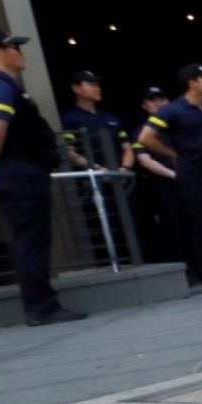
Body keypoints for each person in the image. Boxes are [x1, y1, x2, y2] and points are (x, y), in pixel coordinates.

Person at [0, 26, 87, 326]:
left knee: (29, 239)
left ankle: (41, 304)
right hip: (19, 173)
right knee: (31, 240)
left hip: (16, 172)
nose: (20, 52)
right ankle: (40, 307)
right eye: (14, 46)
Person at [138, 63, 202, 292]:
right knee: (199, 225)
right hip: (192, 175)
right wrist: (175, 156)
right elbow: (146, 138)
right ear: (193, 82)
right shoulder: (172, 110)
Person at [58, 69, 134, 266]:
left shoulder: (110, 117)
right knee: (100, 226)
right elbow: (70, 151)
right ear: (76, 88)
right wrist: (95, 168)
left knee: (128, 223)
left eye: (97, 84)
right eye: (90, 84)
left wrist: (124, 168)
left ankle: (132, 261)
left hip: (119, 181)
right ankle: (109, 265)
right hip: (92, 183)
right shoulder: (70, 118)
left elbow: (127, 147)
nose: (96, 88)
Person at [130, 87, 184, 265]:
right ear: (144, 105)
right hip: (163, 187)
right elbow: (145, 161)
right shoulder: (140, 131)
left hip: (191, 184)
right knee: (172, 229)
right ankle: (181, 270)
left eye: (162, 99)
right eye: (153, 100)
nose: (159, 103)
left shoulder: (179, 127)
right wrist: (174, 174)